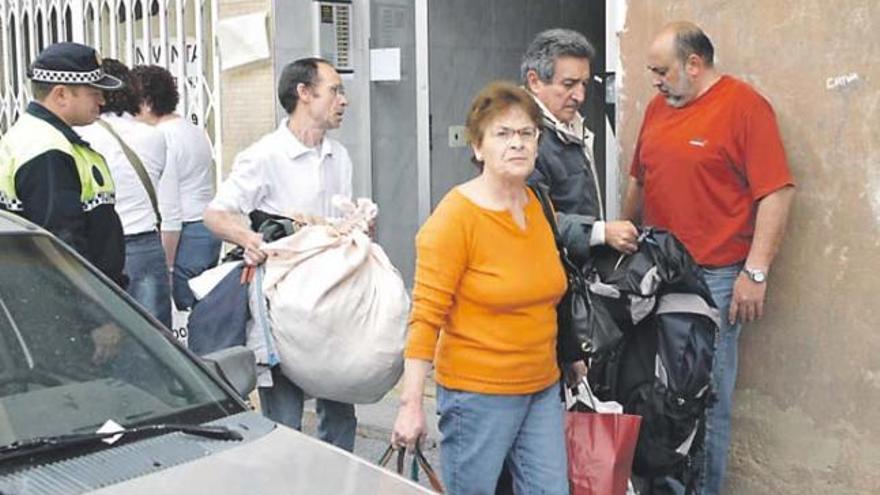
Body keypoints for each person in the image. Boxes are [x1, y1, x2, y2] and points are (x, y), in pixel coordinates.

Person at [391, 82, 590, 495]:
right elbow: (425, 318)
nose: (516, 144)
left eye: (526, 134)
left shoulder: (539, 203)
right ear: (478, 147)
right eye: (502, 134)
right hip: (477, 395)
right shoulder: (454, 218)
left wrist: (570, 359)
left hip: (540, 388)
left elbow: (550, 293)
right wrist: (411, 404)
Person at [622, 22, 795, 494]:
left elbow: (776, 193)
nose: (654, 81)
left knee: (705, 397)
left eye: (662, 70)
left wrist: (755, 272)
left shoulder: (744, 107)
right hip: (655, 272)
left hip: (714, 278)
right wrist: (624, 243)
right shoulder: (659, 108)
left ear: (694, 65)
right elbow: (639, 180)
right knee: (653, 394)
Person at [203, 57, 356, 451]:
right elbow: (216, 213)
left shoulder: (338, 156)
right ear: (304, 93)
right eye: (335, 90)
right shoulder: (265, 156)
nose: (344, 100)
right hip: (283, 309)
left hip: (333, 305)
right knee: (284, 418)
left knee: (339, 414)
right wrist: (249, 238)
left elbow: (342, 221)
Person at [0, 42, 126, 287]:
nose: (102, 101)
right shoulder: (47, 150)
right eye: (94, 92)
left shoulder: (38, 138)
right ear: (61, 94)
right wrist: (96, 317)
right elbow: (61, 248)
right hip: (69, 308)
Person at [77, 59, 178, 328]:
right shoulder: (153, 136)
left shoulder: (80, 136)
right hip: (145, 244)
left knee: (105, 337)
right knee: (156, 341)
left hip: (99, 247)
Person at [523, 28, 639, 256]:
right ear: (535, 81)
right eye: (568, 84)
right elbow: (528, 218)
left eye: (584, 84)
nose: (580, 96)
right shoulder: (524, 138)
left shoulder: (568, 124)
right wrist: (601, 232)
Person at [131, 65, 221, 310]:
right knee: (203, 306)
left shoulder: (163, 138)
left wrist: (167, 267)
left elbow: (169, 211)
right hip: (208, 228)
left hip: (187, 234)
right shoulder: (192, 130)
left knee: (184, 309)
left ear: (147, 103)